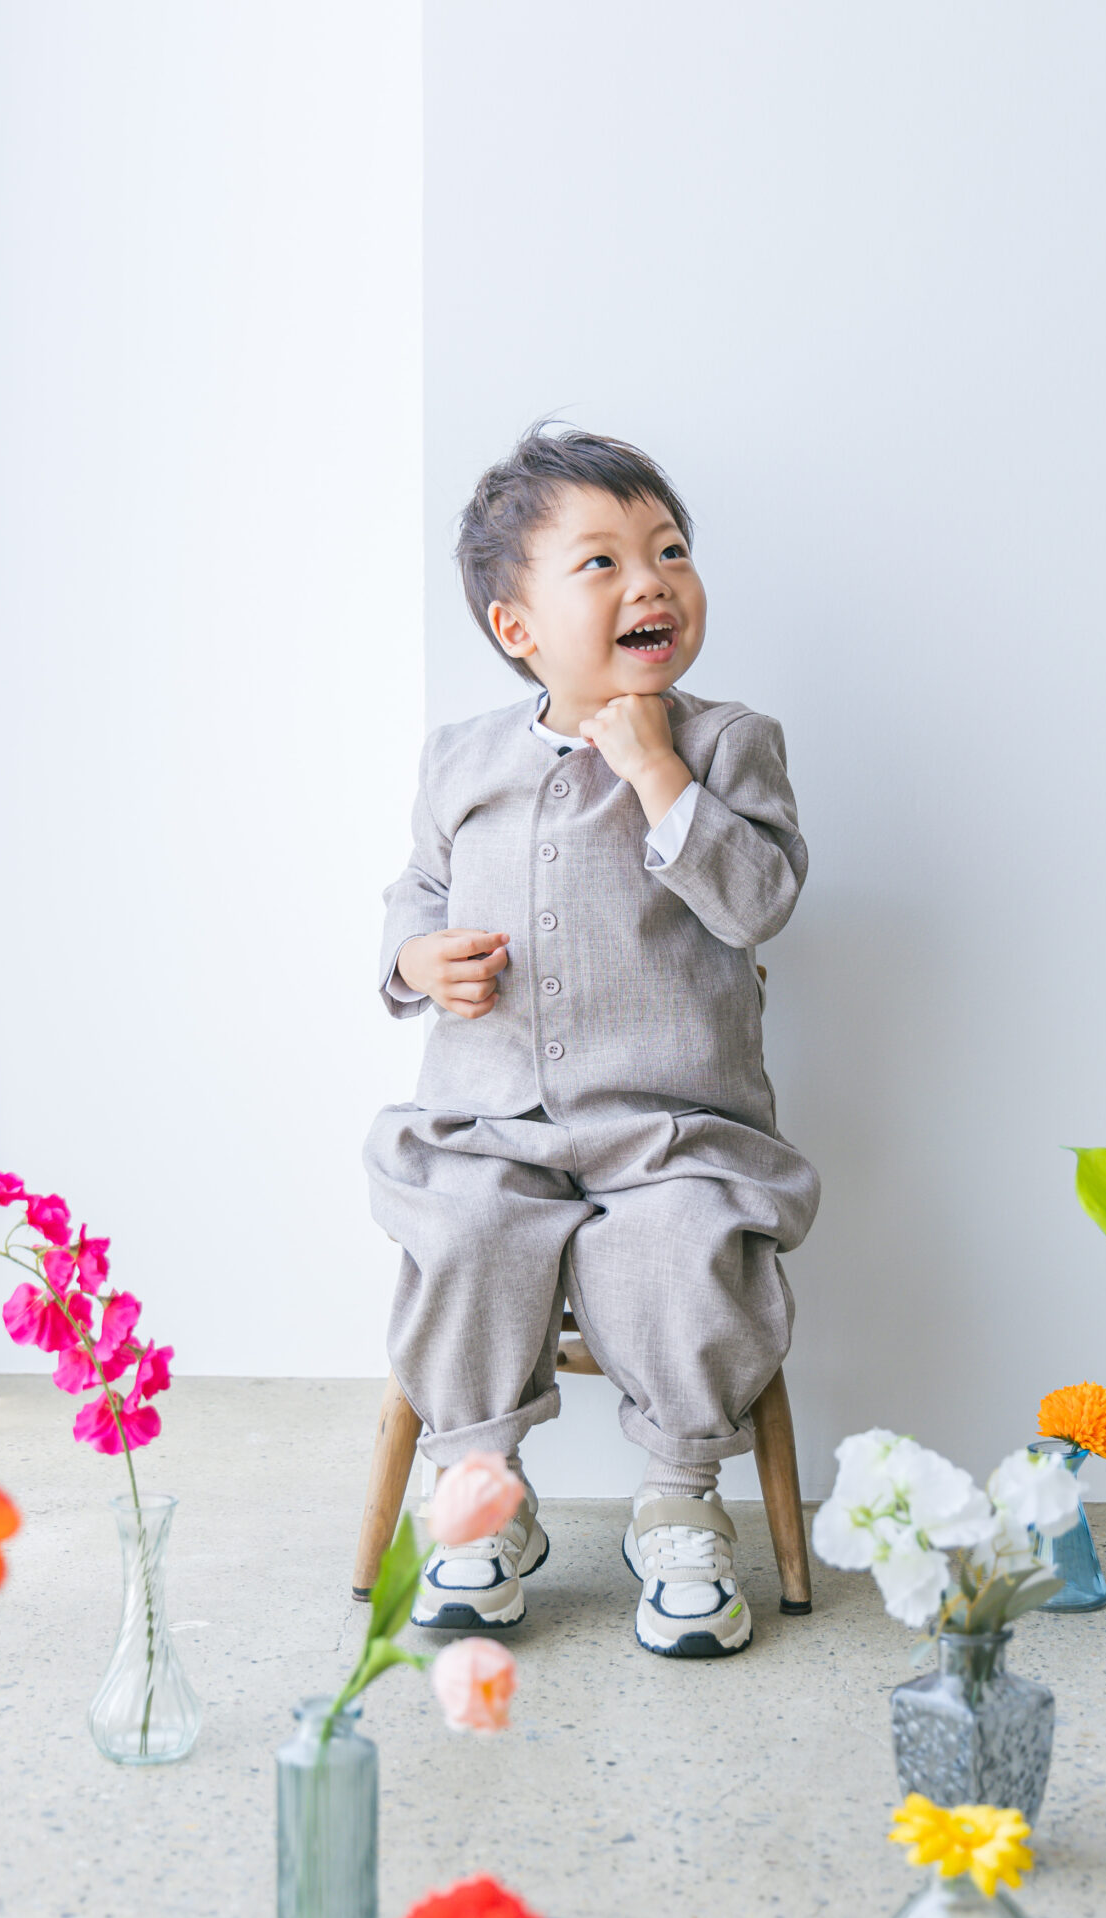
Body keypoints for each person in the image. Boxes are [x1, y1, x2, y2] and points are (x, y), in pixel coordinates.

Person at [363, 421, 820, 1658]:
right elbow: (415, 888)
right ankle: (480, 1507)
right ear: (517, 630)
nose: (650, 582)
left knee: (680, 1247)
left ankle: (677, 1501)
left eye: (668, 550)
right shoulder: (460, 759)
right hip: (489, 1122)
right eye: (602, 563)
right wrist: (416, 959)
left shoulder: (725, 745)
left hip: (671, 1125)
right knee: (458, 1232)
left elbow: (762, 900)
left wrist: (660, 774)